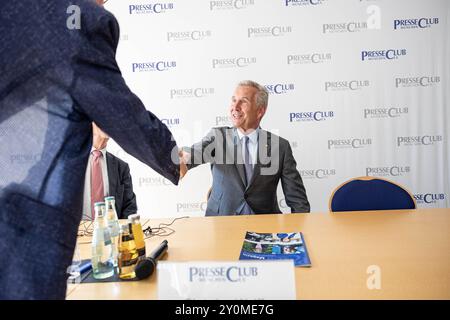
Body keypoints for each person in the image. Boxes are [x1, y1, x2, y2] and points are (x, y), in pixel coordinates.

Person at [0, 0, 186, 299]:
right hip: (19, 243)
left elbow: (58, 113)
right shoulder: (79, 21)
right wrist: (172, 156)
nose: (105, 3)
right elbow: (121, 112)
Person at [181, 80, 310, 216]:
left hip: (265, 227)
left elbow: (298, 201)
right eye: (233, 100)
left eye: (243, 101)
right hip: (222, 226)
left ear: (260, 111)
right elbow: (191, 155)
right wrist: (178, 159)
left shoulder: (280, 147)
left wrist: (296, 230)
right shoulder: (218, 137)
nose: (235, 107)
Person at [83, 123, 137, 220]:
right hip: (78, 232)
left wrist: (121, 230)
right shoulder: (72, 161)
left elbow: (129, 206)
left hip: (111, 230)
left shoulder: (121, 166)